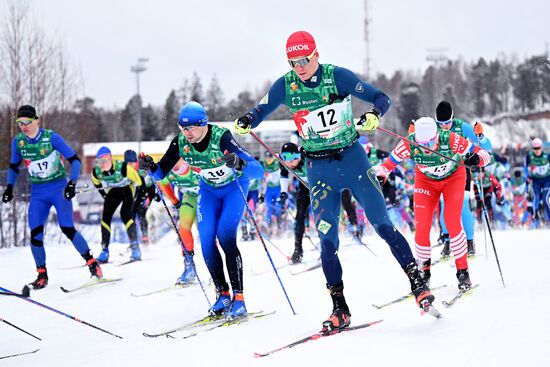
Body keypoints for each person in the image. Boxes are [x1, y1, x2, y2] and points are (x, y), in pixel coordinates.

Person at [233, 30, 433, 331]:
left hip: (352, 159)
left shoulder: (335, 76)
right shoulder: (286, 85)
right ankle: (339, 308)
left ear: (315, 55)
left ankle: (418, 284)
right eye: (292, 61)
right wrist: (248, 119)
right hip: (319, 167)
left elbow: (381, 96)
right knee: (327, 241)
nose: (299, 67)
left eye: (303, 59)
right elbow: (261, 109)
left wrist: (375, 114)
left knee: (382, 225)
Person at [139, 101, 264, 319]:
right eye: (182, 128)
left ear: (204, 124)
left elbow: (258, 171)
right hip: (208, 191)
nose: (187, 133)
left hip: (234, 188)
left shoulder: (221, 137)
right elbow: (161, 174)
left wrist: (239, 163)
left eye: (191, 128)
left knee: (225, 235)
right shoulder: (180, 143)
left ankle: (239, 298)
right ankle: (223, 294)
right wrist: (151, 167)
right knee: (206, 239)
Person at [376, 117, 491, 291]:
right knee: (421, 228)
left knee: (452, 221)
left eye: (430, 142)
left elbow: (485, 155)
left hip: (453, 179)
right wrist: (381, 176)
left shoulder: (451, 139)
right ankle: (424, 274)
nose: (427, 148)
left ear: (437, 136)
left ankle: (462, 271)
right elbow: (386, 165)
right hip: (426, 182)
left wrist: (475, 160)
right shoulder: (409, 143)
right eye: (423, 143)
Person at [2, 105, 102, 289]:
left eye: (27, 122)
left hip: (58, 188)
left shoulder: (51, 137)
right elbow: (14, 167)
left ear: (36, 120)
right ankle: (42, 274)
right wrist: (9, 187)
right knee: (35, 234)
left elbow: (75, 161)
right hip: (38, 192)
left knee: (67, 228)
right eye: (20, 123)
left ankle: (92, 263)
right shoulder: (19, 142)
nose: (23, 126)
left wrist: (72, 183)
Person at [435, 102, 493, 256]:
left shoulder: (462, 127)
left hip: (461, 171)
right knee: (444, 206)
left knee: (462, 206)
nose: (445, 126)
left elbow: (487, 147)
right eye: (441, 124)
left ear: (452, 117)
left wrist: (480, 136)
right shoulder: (432, 129)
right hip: (441, 171)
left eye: (447, 122)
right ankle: (448, 242)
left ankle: (470, 242)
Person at [92, 146, 144, 263]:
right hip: (114, 190)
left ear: (110, 158)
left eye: (104, 160)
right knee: (106, 216)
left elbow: (139, 183)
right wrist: (105, 196)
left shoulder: (123, 168)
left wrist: (137, 199)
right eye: (99, 161)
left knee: (125, 214)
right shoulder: (97, 171)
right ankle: (104, 250)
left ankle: (135, 248)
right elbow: (96, 184)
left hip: (128, 189)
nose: (102, 164)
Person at [157, 158, 201, 285]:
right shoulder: (170, 171)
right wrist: (174, 201)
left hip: (206, 197)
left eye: (177, 159)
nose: (174, 163)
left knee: (205, 232)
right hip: (190, 197)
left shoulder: (195, 166)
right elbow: (162, 183)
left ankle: (216, 268)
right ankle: (189, 268)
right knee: (183, 229)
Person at [277, 142, 309, 263]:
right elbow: (284, 175)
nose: (289, 163)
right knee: (299, 217)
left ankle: (326, 246)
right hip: (304, 188)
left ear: (298, 156)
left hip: (320, 187)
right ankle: (298, 250)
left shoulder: (306, 155)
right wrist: (283, 192)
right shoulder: (284, 163)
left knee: (320, 216)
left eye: (292, 159)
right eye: (285, 159)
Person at [124, 149, 157, 245]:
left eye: (132, 163)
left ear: (136, 162)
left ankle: (145, 237)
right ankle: (133, 241)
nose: (130, 165)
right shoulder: (126, 170)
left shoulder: (141, 171)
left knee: (141, 213)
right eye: (128, 163)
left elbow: (150, 185)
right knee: (131, 215)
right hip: (137, 193)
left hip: (147, 192)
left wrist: (149, 197)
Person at [524, 138, 550, 226]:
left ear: (542, 147)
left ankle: (549, 218)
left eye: (538, 148)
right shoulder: (529, 156)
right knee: (536, 198)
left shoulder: (547, 156)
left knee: (545, 199)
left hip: (547, 180)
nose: (537, 150)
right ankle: (536, 219)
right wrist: (527, 176)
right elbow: (525, 168)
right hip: (536, 180)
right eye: (535, 148)